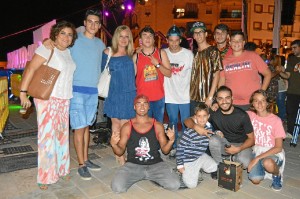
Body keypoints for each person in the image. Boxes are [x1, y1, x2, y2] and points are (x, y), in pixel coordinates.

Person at [44, 9, 105, 180]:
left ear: (100, 26)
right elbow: (59, 43)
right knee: (79, 128)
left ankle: (85, 158)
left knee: (86, 127)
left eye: (96, 22)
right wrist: (47, 41)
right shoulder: (75, 41)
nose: (93, 25)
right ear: (84, 23)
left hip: (93, 92)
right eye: (90, 21)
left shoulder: (100, 44)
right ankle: (81, 164)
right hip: (76, 90)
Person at [19, 21, 78, 190]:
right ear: (55, 34)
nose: (66, 37)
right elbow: (31, 69)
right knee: (46, 138)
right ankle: (45, 176)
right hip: (48, 99)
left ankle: (62, 168)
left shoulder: (68, 52)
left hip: (64, 98)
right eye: (63, 33)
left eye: (69, 34)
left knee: (62, 135)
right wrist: (23, 93)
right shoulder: (47, 48)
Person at [110, 94, 180, 193]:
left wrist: (171, 141)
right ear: (134, 107)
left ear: (149, 106)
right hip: (133, 165)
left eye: (145, 104)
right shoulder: (127, 126)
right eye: (139, 104)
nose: (142, 107)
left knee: (174, 185)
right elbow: (120, 151)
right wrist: (114, 144)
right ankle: (143, 176)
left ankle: (153, 176)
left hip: (155, 164)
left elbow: (165, 150)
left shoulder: (157, 125)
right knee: (117, 188)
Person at [185, 86, 255, 176]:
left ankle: (233, 158)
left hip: (241, 144)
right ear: (216, 100)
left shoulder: (242, 115)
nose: (224, 101)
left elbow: (252, 139)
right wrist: (195, 126)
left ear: (232, 98)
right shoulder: (213, 113)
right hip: (224, 143)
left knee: (244, 163)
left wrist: (239, 149)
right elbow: (187, 121)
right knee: (213, 140)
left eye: (227, 98)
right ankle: (219, 166)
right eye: (220, 99)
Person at [101, 25, 136, 165]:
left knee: (126, 125)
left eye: (126, 36)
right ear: (116, 37)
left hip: (129, 94)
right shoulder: (108, 52)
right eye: (121, 36)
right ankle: (119, 154)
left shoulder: (131, 54)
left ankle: (123, 150)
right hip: (115, 94)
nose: (123, 39)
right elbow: (101, 72)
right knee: (116, 124)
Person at [218, 31, 272, 111]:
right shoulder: (225, 61)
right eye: (234, 41)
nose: (236, 43)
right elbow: (222, 81)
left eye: (239, 40)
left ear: (243, 43)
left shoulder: (253, 56)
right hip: (232, 103)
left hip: (252, 103)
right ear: (230, 43)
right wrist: (220, 99)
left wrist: (261, 94)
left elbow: (268, 74)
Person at [164, 25, 194, 158]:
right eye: (171, 40)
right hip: (170, 95)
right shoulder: (163, 53)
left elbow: (194, 75)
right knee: (172, 121)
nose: (174, 43)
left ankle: (186, 146)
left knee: (186, 122)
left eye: (176, 40)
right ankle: (174, 145)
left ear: (180, 40)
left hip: (185, 95)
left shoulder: (188, 54)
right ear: (167, 40)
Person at [247, 90, 286, 191]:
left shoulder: (276, 120)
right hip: (257, 150)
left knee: (268, 163)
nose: (259, 104)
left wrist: (256, 158)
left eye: (263, 100)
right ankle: (264, 171)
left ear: (267, 102)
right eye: (256, 100)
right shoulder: (249, 115)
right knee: (255, 179)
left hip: (272, 151)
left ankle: (277, 175)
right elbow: (233, 113)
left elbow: (278, 147)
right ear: (252, 103)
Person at [133, 26, 171, 123]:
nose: (148, 38)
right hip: (142, 99)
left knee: (158, 126)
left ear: (154, 39)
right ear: (140, 40)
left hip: (158, 97)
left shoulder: (161, 53)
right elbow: (130, 78)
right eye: (145, 36)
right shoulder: (136, 56)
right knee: (144, 126)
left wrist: (157, 64)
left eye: (150, 36)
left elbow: (169, 73)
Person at [176, 103, 218, 188]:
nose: (202, 119)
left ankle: (197, 168)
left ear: (208, 116)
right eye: (199, 116)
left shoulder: (209, 127)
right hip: (188, 160)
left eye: (204, 116)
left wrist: (217, 132)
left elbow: (213, 131)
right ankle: (184, 172)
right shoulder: (189, 131)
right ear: (195, 117)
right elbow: (180, 148)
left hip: (200, 156)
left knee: (214, 167)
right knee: (191, 185)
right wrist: (180, 165)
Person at [190, 21, 223, 112]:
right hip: (193, 98)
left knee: (208, 125)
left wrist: (211, 96)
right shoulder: (193, 53)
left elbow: (217, 74)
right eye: (196, 33)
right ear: (194, 36)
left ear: (206, 34)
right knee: (194, 124)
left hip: (207, 98)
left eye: (201, 32)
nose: (198, 35)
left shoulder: (213, 51)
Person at [279, 40, 300, 138]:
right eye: (292, 48)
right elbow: (287, 75)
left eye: (295, 47)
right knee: (291, 112)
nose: (292, 50)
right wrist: (280, 72)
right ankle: (291, 132)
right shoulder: (291, 59)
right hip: (293, 91)